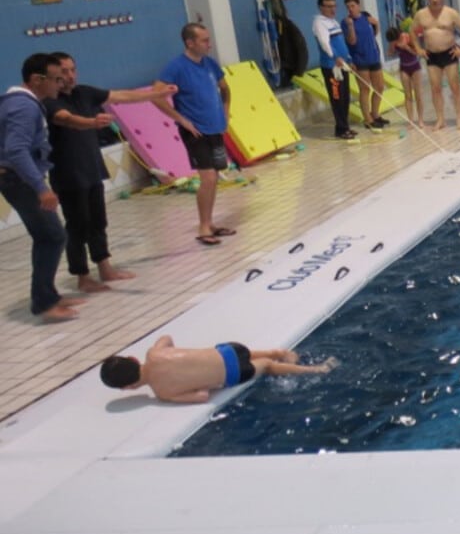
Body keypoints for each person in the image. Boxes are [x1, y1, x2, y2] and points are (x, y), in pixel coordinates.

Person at [46, 52, 176, 292]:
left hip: (91, 168)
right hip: (68, 174)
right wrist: (92, 123)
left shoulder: (83, 93)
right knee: (77, 226)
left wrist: (155, 95)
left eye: (73, 69)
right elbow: (66, 119)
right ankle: (82, 276)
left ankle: (105, 266)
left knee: (98, 221)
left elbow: (121, 96)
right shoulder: (50, 101)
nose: (70, 76)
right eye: (64, 72)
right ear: (52, 75)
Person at [0, 53, 83, 322]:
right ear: (37, 80)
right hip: (18, 179)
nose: (60, 85)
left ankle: (48, 294)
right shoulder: (23, 107)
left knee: (49, 235)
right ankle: (44, 302)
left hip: (19, 177)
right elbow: (16, 150)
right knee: (52, 236)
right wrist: (40, 188)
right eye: (56, 79)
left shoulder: (21, 103)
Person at [152, 23, 235, 247]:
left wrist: (225, 114)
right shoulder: (176, 67)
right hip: (195, 132)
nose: (209, 44)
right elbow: (156, 95)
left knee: (214, 177)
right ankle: (203, 227)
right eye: (204, 40)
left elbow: (225, 88)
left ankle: (210, 222)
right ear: (190, 43)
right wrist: (181, 119)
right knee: (207, 178)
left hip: (215, 128)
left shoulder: (210, 64)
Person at [100, 335, 340, 403]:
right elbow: (167, 337)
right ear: (133, 359)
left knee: (266, 367)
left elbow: (203, 396)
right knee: (266, 355)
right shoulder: (154, 354)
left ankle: (315, 370)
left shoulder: (164, 392)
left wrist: (198, 382)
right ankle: (282, 353)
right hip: (230, 350)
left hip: (233, 375)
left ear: (129, 387)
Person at [412, 0, 460, 130]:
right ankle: (440, 119)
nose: (435, 0)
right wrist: (418, 49)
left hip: (449, 53)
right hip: (431, 55)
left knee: (455, 87)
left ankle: (459, 118)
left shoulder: (450, 13)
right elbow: (411, 31)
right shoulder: (421, 14)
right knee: (435, 88)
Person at [312, 0, 356, 140]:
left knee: (345, 97)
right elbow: (325, 43)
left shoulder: (334, 22)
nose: (333, 9)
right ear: (321, 7)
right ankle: (342, 129)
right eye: (329, 6)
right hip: (332, 67)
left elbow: (341, 43)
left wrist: (349, 59)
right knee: (337, 97)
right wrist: (334, 57)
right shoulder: (319, 23)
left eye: (334, 6)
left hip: (342, 65)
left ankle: (344, 127)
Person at [343, 0, 389, 130]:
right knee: (365, 89)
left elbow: (373, 34)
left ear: (358, 6)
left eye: (353, 6)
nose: (350, 9)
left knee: (379, 87)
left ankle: (375, 114)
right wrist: (351, 26)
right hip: (359, 59)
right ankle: (367, 119)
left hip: (373, 56)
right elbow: (352, 41)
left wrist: (376, 24)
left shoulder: (365, 17)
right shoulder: (346, 22)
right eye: (348, 7)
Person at [386, 26, 425, 127]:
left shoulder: (407, 37)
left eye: (394, 40)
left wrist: (406, 47)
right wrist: (392, 45)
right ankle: (411, 121)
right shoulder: (393, 42)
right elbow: (389, 54)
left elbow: (417, 52)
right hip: (404, 68)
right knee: (407, 95)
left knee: (418, 94)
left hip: (415, 66)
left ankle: (420, 120)